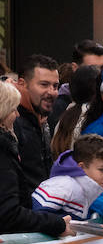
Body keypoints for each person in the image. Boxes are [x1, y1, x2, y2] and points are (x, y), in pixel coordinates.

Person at [0, 81, 71, 238]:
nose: (17, 114)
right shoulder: (3, 152)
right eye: (13, 109)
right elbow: (9, 213)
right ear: (3, 113)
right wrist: (55, 223)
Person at [31, 134, 103, 233]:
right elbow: (38, 218)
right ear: (81, 167)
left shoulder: (90, 190)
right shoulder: (64, 186)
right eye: (102, 170)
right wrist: (59, 227)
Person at [14, 54, 60, 197]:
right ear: (22, 84)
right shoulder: (11, 125)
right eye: (44, 85)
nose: (51, 92)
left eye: (55, 86)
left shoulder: (42, 122)